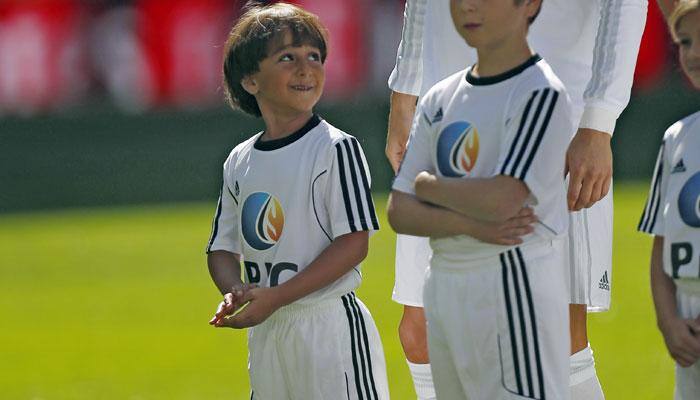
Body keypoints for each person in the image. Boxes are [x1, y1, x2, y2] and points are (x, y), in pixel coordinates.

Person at [386, 1, 647, 398]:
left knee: (556, 339)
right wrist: (404, 91)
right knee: (420, 334)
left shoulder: (545, 99)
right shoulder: (439, 99)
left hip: (559, 97)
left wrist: (599, 120)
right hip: (446, 95)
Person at [205, 3, 389, 399]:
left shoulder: (337, 148)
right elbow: (222, 247)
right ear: (250, 79)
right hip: (268, 331)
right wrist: (235, 290)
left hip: (328, 330)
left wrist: (277, 297)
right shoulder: (239, 160)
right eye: (287, 57)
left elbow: (354, 242)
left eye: (314, 57)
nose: (306, 68)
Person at [639, 1, 700, 397]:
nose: (693, 53)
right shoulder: (676, 137)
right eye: (684, 41)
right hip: (688, 324)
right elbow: (661, 246)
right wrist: (668, 321)